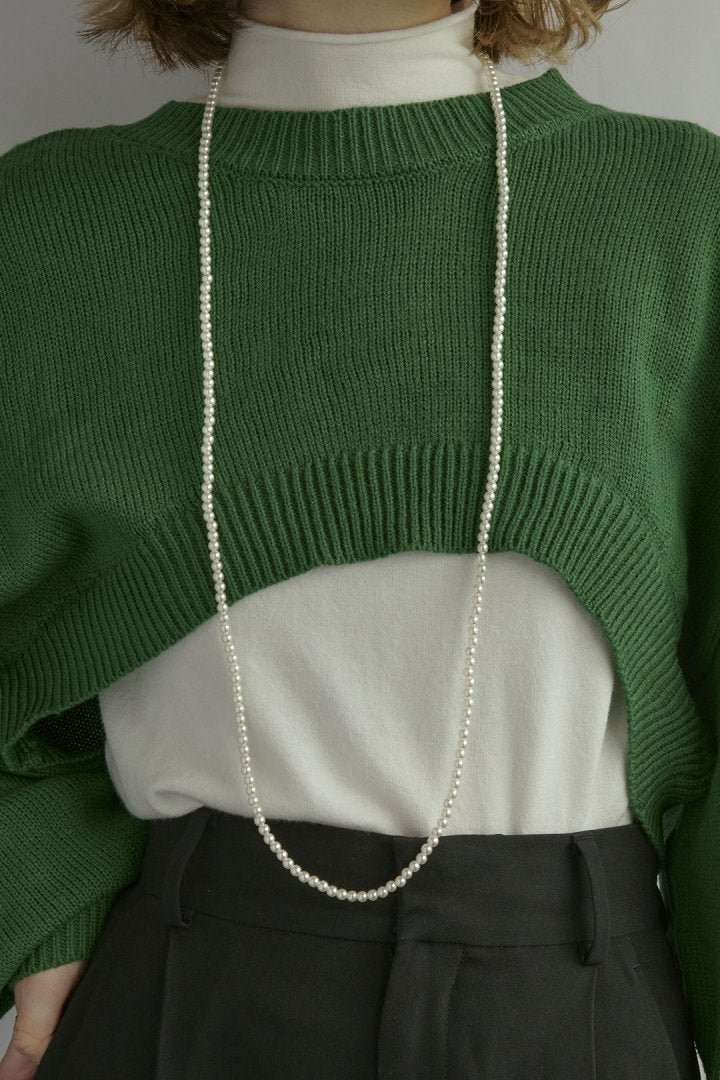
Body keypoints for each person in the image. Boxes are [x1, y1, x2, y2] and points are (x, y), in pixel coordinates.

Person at [0, 0, 717, 1076]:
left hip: (575, 997)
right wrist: (38, 891)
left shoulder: (679, 208)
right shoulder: (45, 225)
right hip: (181, 979)